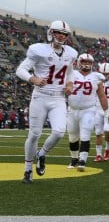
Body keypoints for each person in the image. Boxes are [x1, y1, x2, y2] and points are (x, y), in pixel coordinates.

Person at [15, 20, 77, 184]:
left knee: (58, 132)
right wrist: (33, 78)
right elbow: (20, 69)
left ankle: (41, 154)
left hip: (58, 97)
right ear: (51, 33)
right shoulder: (39, 50)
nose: (61, 36)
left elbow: (70, 72)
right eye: (58, 32)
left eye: (64, 34)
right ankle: (27, 171)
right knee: (34, 134)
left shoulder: (70, 53)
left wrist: (70, 83)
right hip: (40, 96)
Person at [66, 53, 109, 170]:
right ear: (79, 62)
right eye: (84, 61)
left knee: (85, 134)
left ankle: (82, 161)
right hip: (72, 110)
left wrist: (106, 111)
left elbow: (102, 96)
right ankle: (74, 159)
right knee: (73, 136)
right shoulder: (71, 74)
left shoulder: (96, 77)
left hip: (88, 110)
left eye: (89, 62)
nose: (87, 64)